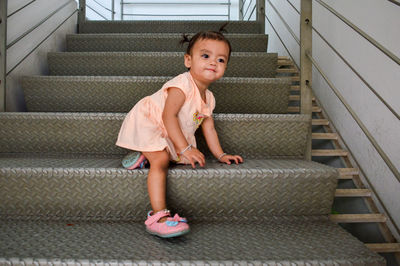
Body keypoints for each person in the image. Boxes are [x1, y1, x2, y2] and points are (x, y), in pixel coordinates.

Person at [116, 26, 243, 238]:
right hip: (150, 121)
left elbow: (208, 127)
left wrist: (221, 154)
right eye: (205, 56)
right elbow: (168, 117)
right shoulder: (181, 85)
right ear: (188, 61)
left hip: (170, 131)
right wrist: (185, 147)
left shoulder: (209, 98)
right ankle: (158, 216)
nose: (213, 62)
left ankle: (144, 155)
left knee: (183, 159)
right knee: (162, 160)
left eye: (221, 60)